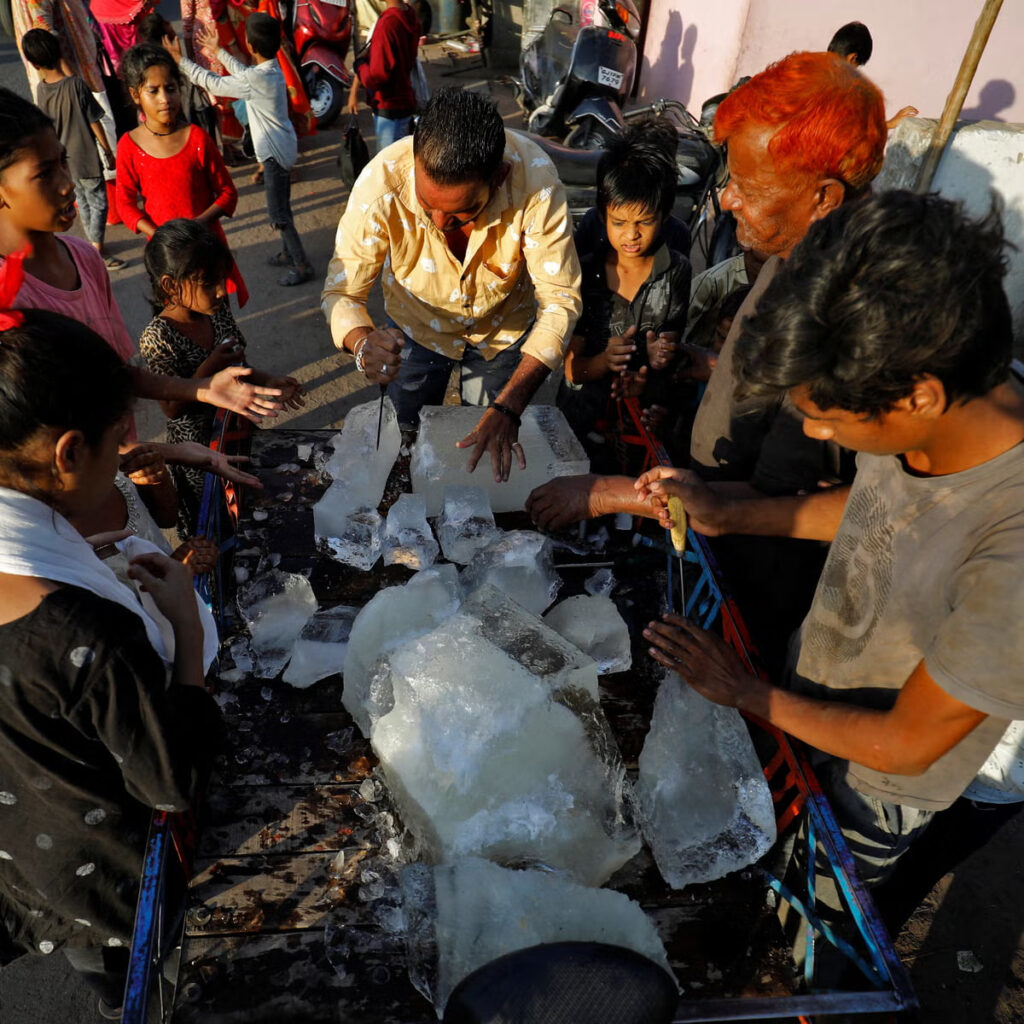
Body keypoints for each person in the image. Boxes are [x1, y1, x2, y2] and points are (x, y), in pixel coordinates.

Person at [638, 189, 1024, 950]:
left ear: (919, 397)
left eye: (827, 416)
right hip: (808, 698)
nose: (814, 432)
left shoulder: (1012, 551)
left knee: (811, 929)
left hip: (878, 786)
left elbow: (907, 743)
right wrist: (728, 511)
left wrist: (744, 692)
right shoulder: (948, 406)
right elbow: (877, 508)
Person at [527, 51, 886, 671]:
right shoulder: (790, 249)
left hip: (759, 573)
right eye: (730, 179)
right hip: (704, 525)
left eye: (748, 187)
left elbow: (837, 502)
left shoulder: (853, 314)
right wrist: (705, 366)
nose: (729, 200)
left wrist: (609, 494)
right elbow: (767, 385)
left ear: (823, 197)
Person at [0, 297, 223, 1014]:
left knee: (93, 964)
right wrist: (186, 630)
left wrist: (93, 557)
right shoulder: (85, 636)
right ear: (69, 453)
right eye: (114, 442)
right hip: (109, 879)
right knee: (142, 987)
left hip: (24, 864)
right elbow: (170, 780)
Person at [321, 87, 582, 483]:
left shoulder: (536, 184)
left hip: (501, 333)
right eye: (427, 207)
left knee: (486, 444)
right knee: (402, 441)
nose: (440, 224)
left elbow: (560, 301)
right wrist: (362, 344)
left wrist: (508, 407)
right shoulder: (381, 183)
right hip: (415, 330)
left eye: (463, 212)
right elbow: (342, 292)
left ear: (499, 178)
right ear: (415, 163)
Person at [0, 87, 281, 425]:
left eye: (63, 162)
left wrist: (202, 389)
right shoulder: (8, 297)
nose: (67, 183)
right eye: (44, 173)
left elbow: (117, 371)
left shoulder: (84, 258)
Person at [140, 218, 303, 537]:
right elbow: (171, 408)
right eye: (209, 283)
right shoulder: (158, 337)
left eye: (221, 280)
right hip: (197, 451)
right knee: (213, 521)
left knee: (248, 507)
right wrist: (211, 365)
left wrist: (268, 381)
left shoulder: (216, 311)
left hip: (236, 431)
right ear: (171, 286)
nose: (220, 291)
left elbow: (239, 365)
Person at [557, 120, 690, 454]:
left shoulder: (676, 271)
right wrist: (603, 362)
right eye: (619, 223)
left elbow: (670, 350)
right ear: (602, 216)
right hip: (581, 422)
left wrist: (658, 361)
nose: (631, 235)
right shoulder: (585, 273)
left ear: (665, 216)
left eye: (645, 222)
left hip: (640, 424)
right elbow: (572, 369)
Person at [171, 15, 316, 286]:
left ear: (250, 45)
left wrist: (181, 60)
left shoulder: (256, 78)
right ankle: (289, 252)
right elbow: (243, 74)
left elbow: (213, 83)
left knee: (279, 214)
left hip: (274, 156)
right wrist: (218, 51)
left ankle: (301, 264)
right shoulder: (270, 70)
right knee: (283, 209)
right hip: (282, 149)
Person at [116, 44, 249, 307]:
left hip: (206, 256)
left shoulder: (197, 139)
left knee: (216, 320)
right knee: (177, 323)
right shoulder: (129, 146)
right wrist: (159, 235)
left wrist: (197, 226)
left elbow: (227, 193)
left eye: (171, 88)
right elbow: (125, 205)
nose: (165, 98)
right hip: (166, 261)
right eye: (153, 91)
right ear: (135, 94)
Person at [21, 29, 124, 271]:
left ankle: (92, 242)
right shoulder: (76, 85)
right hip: (86, 157)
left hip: (64, 162)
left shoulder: (42, 90)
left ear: (34, 64)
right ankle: (96, 248)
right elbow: (94, 121)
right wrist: (107, 151)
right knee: (99, 203)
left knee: (83, 203)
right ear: (60, 53)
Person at [347, 0, 421, 149]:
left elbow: (376, 77)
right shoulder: (409, 14)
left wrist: (359, 65)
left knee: (388, 160)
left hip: (389, 106)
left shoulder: (387, 24)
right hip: (405, 100)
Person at [137, 11, 219, 140]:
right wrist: (180, 61)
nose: (171, 25)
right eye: (166, 23)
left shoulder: (147, 61)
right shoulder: (169, 61)